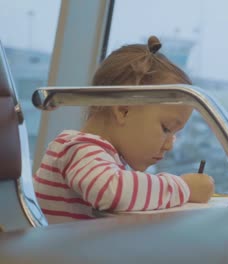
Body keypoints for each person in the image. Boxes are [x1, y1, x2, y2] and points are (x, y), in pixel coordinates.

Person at [33, 36, 215, 224]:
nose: (169, 145)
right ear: (123, 109)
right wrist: (183, 187)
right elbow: (110, 192)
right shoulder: (79, 148)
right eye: (166, 128)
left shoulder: (101, 156)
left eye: (175, 135)